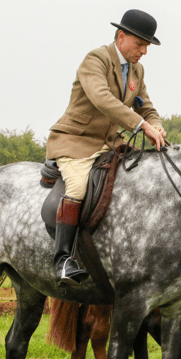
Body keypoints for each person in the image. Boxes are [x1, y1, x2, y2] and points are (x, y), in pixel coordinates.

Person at [46, 9, 166, 286]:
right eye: (140, 44)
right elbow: (102, 98)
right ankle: (63, 260)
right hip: (75, 139)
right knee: (77, 187)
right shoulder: (96, 59)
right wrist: (140, 125)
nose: (145, 51)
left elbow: (145, 106)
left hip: (110, 143)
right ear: (121, 37)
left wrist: (156, 125)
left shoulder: (137, 70)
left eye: (147, 45)